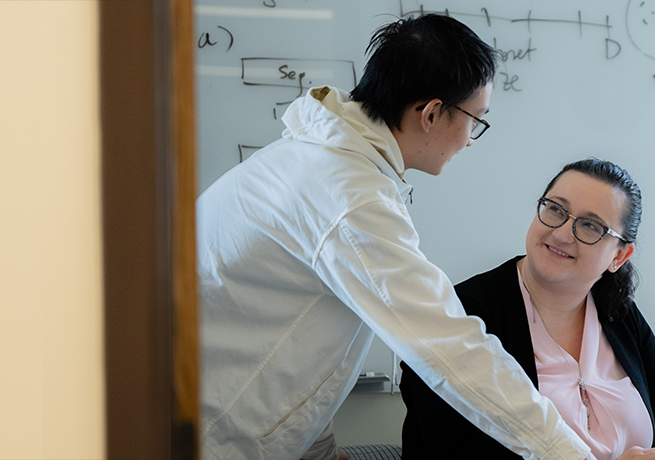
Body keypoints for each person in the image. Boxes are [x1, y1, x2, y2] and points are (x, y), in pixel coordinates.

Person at [198, 13, 591, 460]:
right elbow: (450, 352)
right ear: (430, 113)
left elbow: (297, 337)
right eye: (475, 120)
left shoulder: (316, 159)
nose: (469, 140)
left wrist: (319, 450)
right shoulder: (351, 197)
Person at [399, 159, 655, 460]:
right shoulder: (460, 314)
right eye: (555, 209)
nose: (562, 233)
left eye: (591, 226)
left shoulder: (621, 315)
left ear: (619, 257)